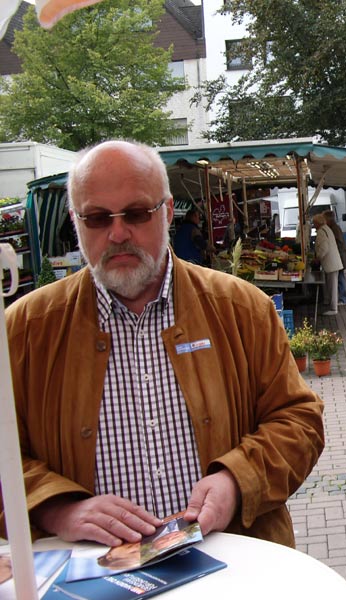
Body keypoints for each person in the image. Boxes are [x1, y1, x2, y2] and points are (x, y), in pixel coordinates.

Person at [2, 140, 325, 551]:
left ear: (168, 212)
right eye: (97, 218)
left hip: (231, 562)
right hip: (92, 575)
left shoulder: (242, 309)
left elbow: (298, 419)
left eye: (136, 213)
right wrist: (55, 507)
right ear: (75, 221)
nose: (118, 233)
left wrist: (236, 481)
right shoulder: (26, 329)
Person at [312, 212, 343, 316]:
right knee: (332, 285)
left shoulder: (321, 231)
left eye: (314, 223)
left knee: (332, 286)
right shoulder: (326, 228)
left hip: (331, 262)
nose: (313, 225)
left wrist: (318, 258)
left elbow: (324, 248)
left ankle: (334, 308)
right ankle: (330, 303)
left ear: (318, 223)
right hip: (334, 261)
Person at [324, 209, 346, 306]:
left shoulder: (334, 229)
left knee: (340, 278)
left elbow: (338, 244)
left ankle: (343, 299)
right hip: (339, 257)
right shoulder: (334, 228)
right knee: (340, 278)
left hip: (339, 257)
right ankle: (342, 298)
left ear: (329, 220)